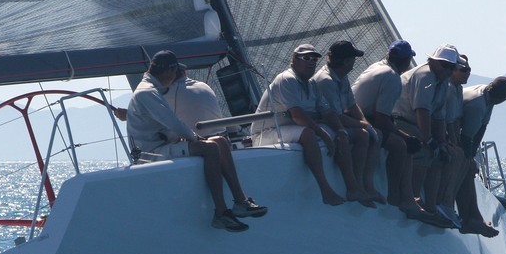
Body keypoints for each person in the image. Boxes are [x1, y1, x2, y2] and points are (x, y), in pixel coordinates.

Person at [126, 50, 267, 232]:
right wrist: (194, 137)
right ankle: (221, 212)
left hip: (164, 145)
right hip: (152, 152)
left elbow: (165, 125)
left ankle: (241, 201)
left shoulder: (151, 90)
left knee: (220, 142)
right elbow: (172, 121)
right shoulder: (147, 92)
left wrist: (189, 137)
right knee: (209, 149)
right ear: (170, 71)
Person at [251, 44, 363, 206]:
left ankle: (353, 187)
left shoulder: (311, 84)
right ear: (294, 60)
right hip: (267, 132)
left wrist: (340, 130)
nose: (311, 62)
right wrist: (324, 134)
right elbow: (297, 115)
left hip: (291, 128)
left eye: (314, 59)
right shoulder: (286, 79)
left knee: (340, 132)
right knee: (308, 134)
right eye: (306, 58)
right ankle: (325, 190)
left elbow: (327, 112)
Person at [351, 40, 438, 222]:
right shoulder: (392, 77)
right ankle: (397, 197)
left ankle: (405, 196)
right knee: (402, 145)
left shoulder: (376, 66)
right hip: (359, 120)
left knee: (405, 142)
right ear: (407, 61)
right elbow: (381, 118)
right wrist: (405, 136)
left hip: (361, 117)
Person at [391, 43, 459, 222]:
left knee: (442, 155)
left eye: (452, 67)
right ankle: (412, 199)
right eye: (445, 65)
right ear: (433, 61)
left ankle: (433, 206)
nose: (449, 70)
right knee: (423, 149)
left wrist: (442, 142)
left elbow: (439, 116)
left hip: (416, 123)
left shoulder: (443, 81)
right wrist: (428, 140)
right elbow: (422, 110)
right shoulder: (425, 75)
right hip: (400, 120)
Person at [310, 40, 381, 204]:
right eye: (352, 58)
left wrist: (364, 122)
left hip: (333, 120)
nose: (354, 62)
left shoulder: (342, 77)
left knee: (368, 134)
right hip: (322, 122)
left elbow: (351, 105)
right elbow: (334, 116)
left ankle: (362, 186)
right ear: (346, 61)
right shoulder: (326, 80)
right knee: (361, 135)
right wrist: (364, 125)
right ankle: (353, 187)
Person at [455, 76, 506, 237]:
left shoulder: (488, 97)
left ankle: (473, 217)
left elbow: (481, 128)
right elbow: (467, 136)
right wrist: (468, 159)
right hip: (450, 132)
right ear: (502, 97)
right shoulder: (478, 103)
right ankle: (470, 218)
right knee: (466, 170)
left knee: (469, 169)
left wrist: (472, 154)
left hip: (458, 133)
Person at [435, 54, 471, 227]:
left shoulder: (457, 89)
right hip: (438, 131)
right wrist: (450, 142)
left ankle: (449, 202)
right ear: (452, 71)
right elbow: (445, 119)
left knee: (465, 159)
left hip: (448, 131)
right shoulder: (448, 87)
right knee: (455, 156)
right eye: (463, 70)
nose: (467, 73)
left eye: (468, 70)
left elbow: (455, 120)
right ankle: (444, 202)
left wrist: (457, 142)